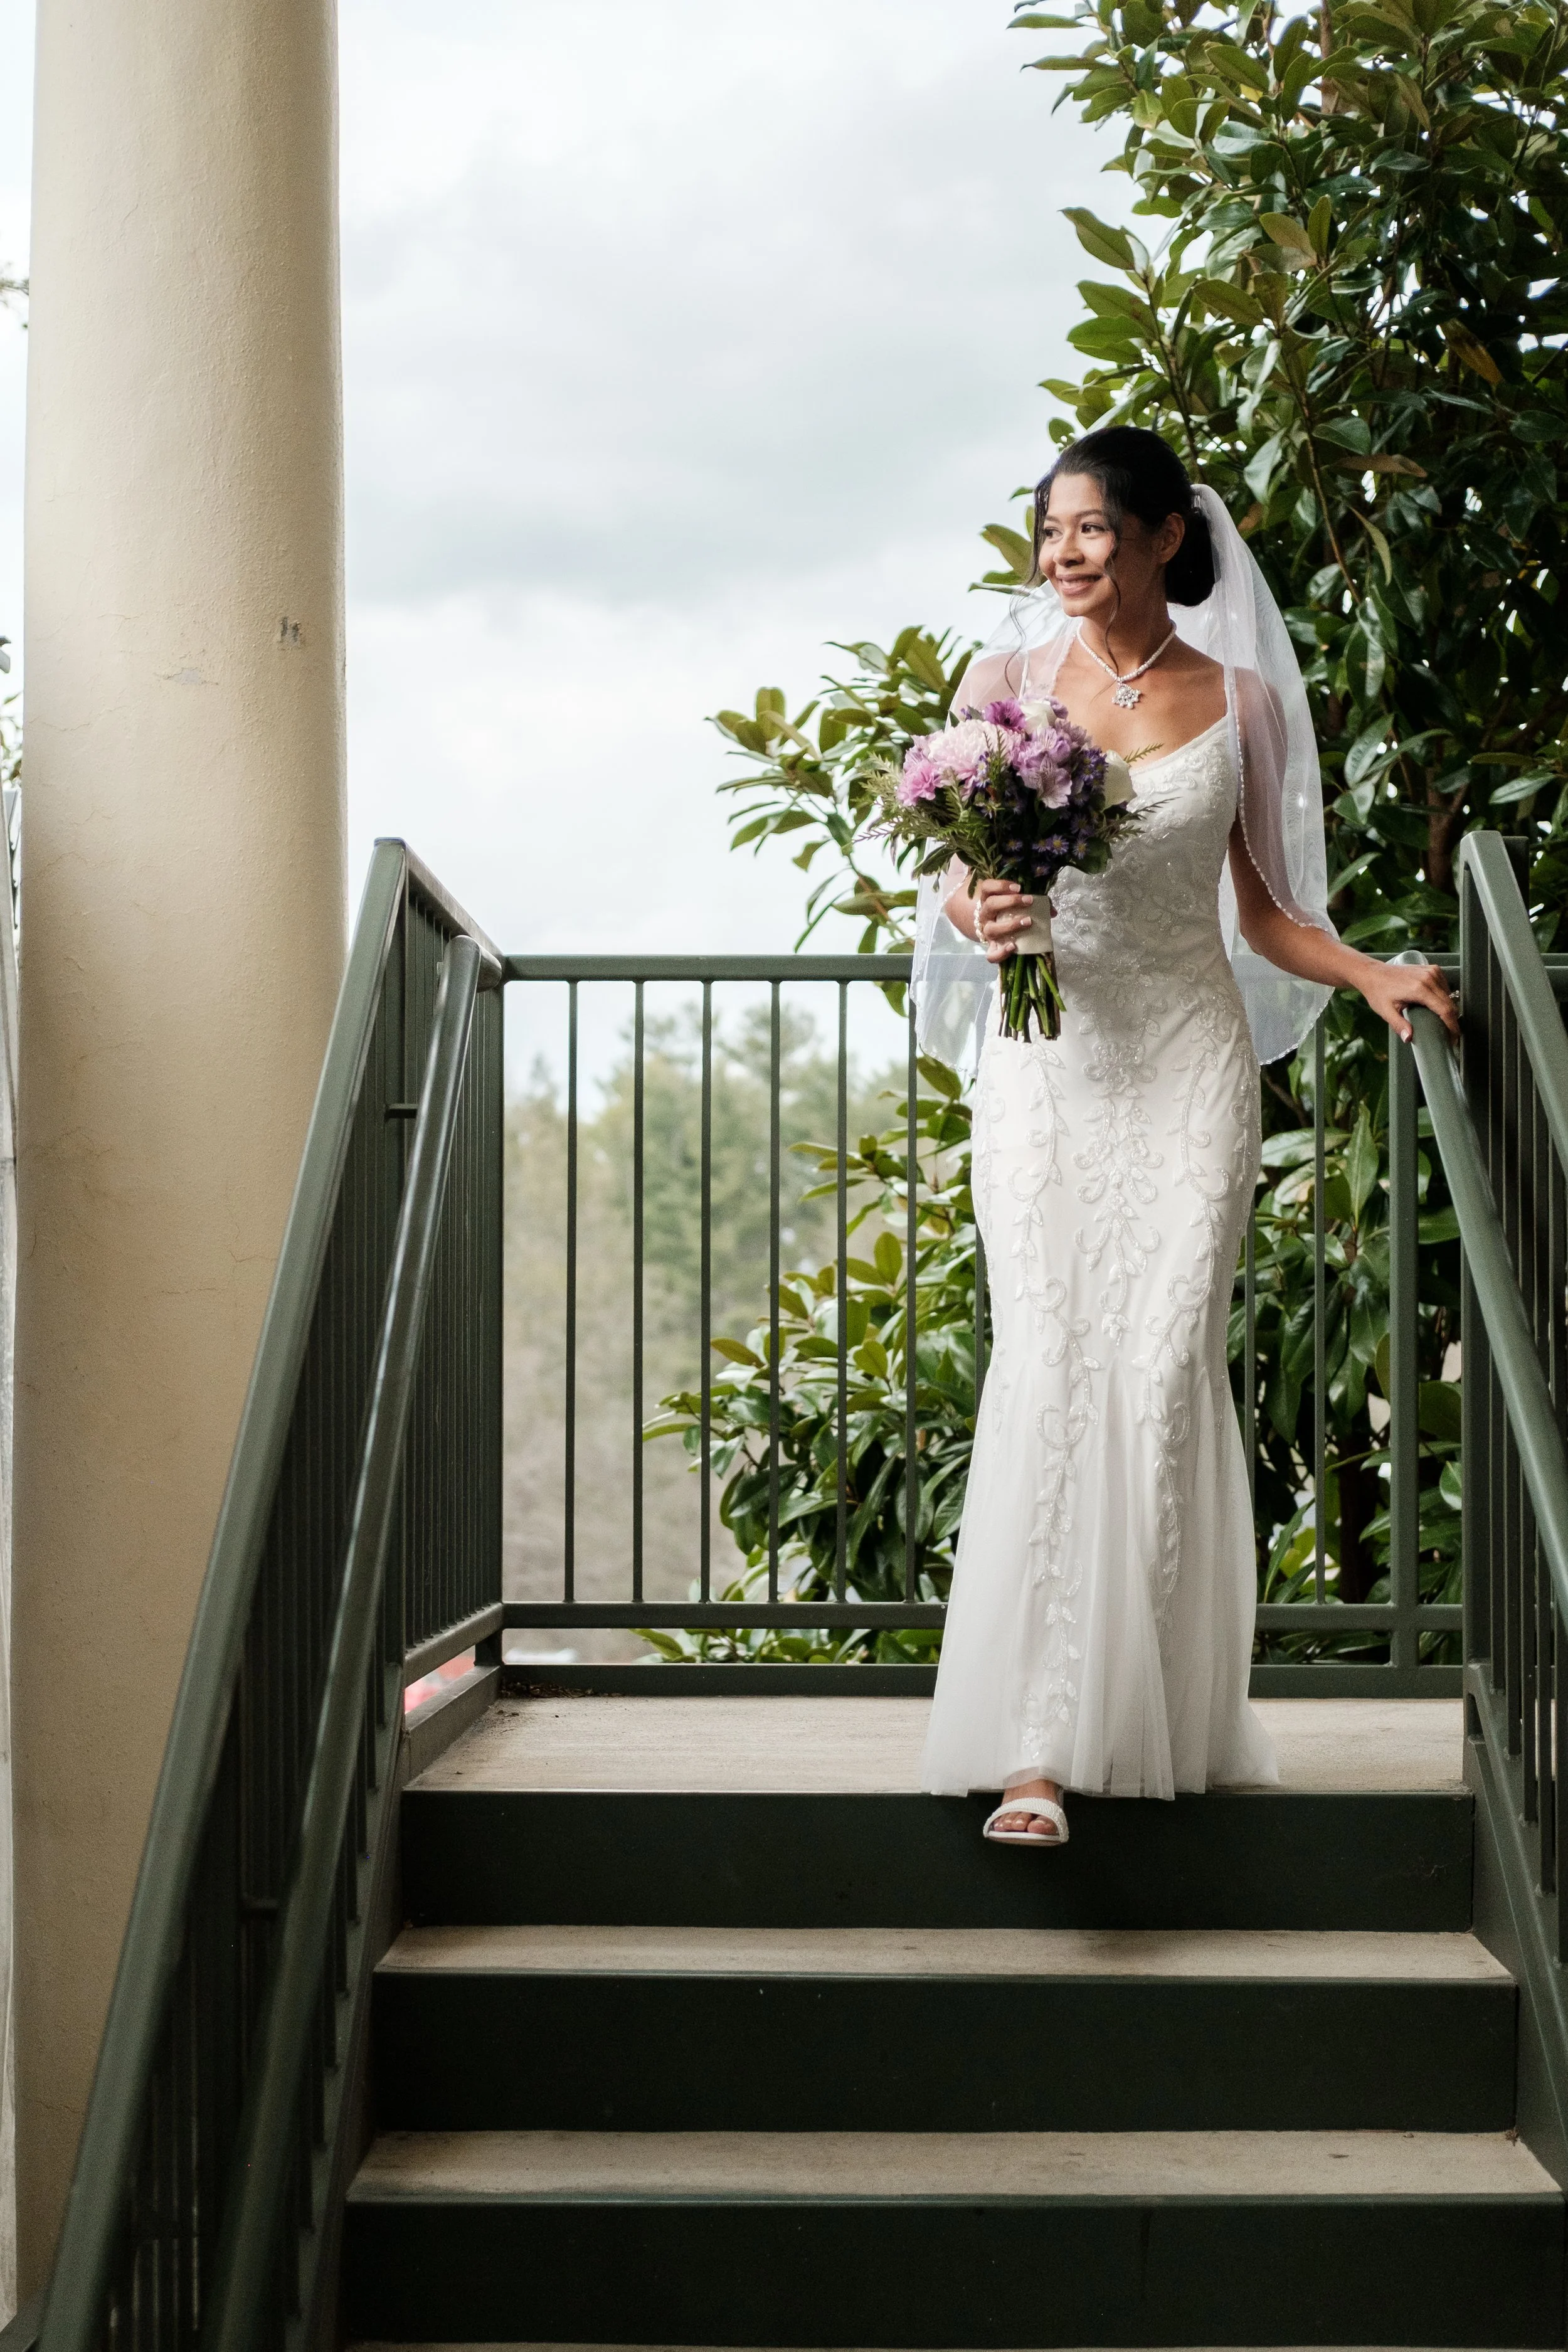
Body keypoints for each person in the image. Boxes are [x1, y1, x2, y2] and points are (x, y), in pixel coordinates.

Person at [916, 426, 1455, 1845]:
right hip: (1043, 1069)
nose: (1061, 555)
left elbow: (1269, 914)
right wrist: (989, 915)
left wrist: (1373, 976)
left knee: (1157, 1369)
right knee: (1047, 1356)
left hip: (1186, 1063)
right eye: (1048, 534)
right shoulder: (1004, 689)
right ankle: (1034, 1749)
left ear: (1163, 534)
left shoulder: (1240, 700)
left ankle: (1139, 1709)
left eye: (1089, 528)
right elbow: (958, 888)